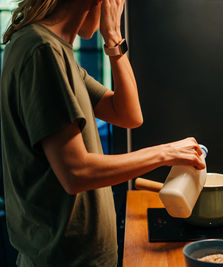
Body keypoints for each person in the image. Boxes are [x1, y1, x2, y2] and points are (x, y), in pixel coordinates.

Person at [0, 0, 206, 266]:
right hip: (65, 259)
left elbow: (128, 114)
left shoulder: (56, 51)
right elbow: (76, 172)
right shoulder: (42, 51)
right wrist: (166, 153)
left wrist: (114, 40)